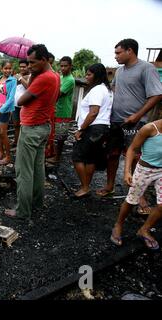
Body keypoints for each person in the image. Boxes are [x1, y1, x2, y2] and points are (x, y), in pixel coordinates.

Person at [97, 39, 162, 216]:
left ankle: (139, 196)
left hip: (136, 123)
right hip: (116, 120)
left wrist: (138, 115)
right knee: (112, 154)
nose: (115, 56)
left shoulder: (146, 68)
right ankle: (110, 185)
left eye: (118, 53)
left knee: (134, 157)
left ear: (130, 51)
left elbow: (156, 94)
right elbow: (114, 91)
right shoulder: (119, 71)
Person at [15, 44, 60, 219]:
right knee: (37, 168)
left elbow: (20, 101)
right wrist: (34, 73)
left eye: (33, 63)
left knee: (23, 171)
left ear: (44, 60)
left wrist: (32, 75)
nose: (29, 66)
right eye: (28, 62)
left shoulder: (43, 78)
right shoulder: (54, 76)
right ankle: (36, 202)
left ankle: (22, 211)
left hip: (32, 128)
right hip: (43, 126)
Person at [110, 118, 162, 250]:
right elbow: (132, 149)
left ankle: (144, 229)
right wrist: (127, 172)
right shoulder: (150, 128)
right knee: (131, 201)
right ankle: (119, 224)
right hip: (144, 170)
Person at [72, 63, 113, 198]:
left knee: (77, 156)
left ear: (97, 75)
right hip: (103, 128)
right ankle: (86, 186)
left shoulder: (97, 90)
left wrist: (81, 129)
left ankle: (84, 187)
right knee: (90, 159)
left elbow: (93, 112)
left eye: (89, 74)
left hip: (93, 128)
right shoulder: (108, 90)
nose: (86, 77)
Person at [0, 61, 17, 165]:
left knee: (3, 133)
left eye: (9, 68)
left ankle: (8, 156)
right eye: (5, 68)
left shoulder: (13, 80)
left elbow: (11, 99)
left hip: (4, 110)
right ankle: (1, 154)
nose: (8, 70)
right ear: (1, 69)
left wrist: (0, 110)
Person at [54, 56, 76, 162]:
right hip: (57, 110)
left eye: (65, 66)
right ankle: (54, 155)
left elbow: (58, 93)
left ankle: (57, 158)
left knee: (60, 137)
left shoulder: (70, 80)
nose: (63, 68)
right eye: (61, 66)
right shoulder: (61, 77)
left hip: (64, 112)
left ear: (70, 66)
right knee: (55, 136)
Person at [12, 60, 31, 147]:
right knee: (16, 125)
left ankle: (23, 143)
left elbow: (28, 87)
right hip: (15, 105)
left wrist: (20, 78)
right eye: (20, 66)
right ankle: (16, 141)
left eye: (24, 66)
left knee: (24, 125)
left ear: (28, 67)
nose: (22, 68)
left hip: (25, 105)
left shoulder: (31, 76)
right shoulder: (16, 76)